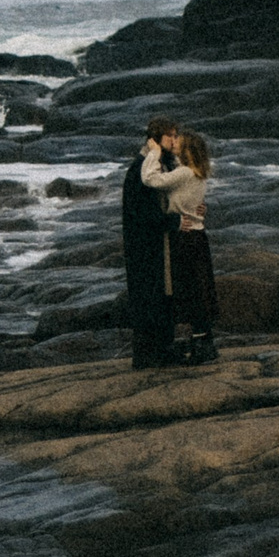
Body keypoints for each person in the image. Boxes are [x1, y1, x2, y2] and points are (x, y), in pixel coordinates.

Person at [142, 128, 219, 365]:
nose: (173, 142)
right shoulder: (199, 172)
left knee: (189, 291)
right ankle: (205, 342)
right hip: (198, 236)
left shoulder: (184, 173)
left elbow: (150, 179)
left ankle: (201, 346)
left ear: (186, 150)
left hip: (184, 238)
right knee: (199, 289)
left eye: (178, 141)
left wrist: (153, 153)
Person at [121, 115, 180, 368]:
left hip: (157, 243)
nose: (175, 141)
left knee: (162, 296)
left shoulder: (161, 166)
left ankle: (163, 350)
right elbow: (143, 213)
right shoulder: (141, 169)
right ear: (156, 140)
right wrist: (174, 221)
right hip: (144, 246)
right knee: (149, 297)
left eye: (176, 136)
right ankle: (148, 355)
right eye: (170, 137)